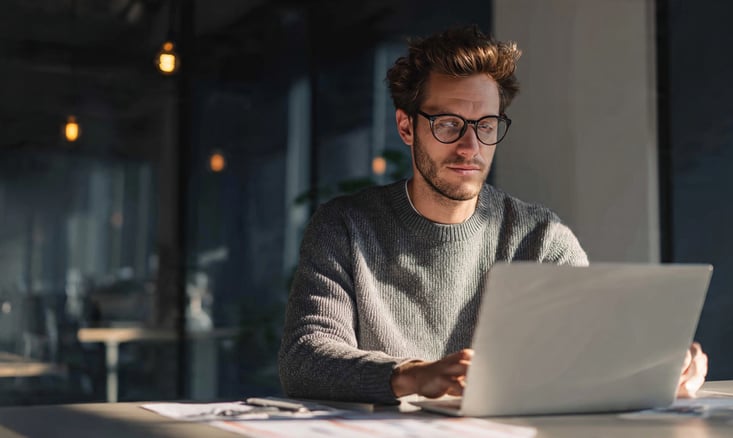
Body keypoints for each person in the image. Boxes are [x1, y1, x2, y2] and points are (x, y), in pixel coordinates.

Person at [278, 25, 707, 404]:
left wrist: (658, 366)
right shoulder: (346, 226)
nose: (471, 147)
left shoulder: (541, 237)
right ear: (406, 127)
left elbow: (587, 353)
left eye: (486, 125)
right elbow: (306, 355)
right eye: (448, 124)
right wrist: (413, 375)